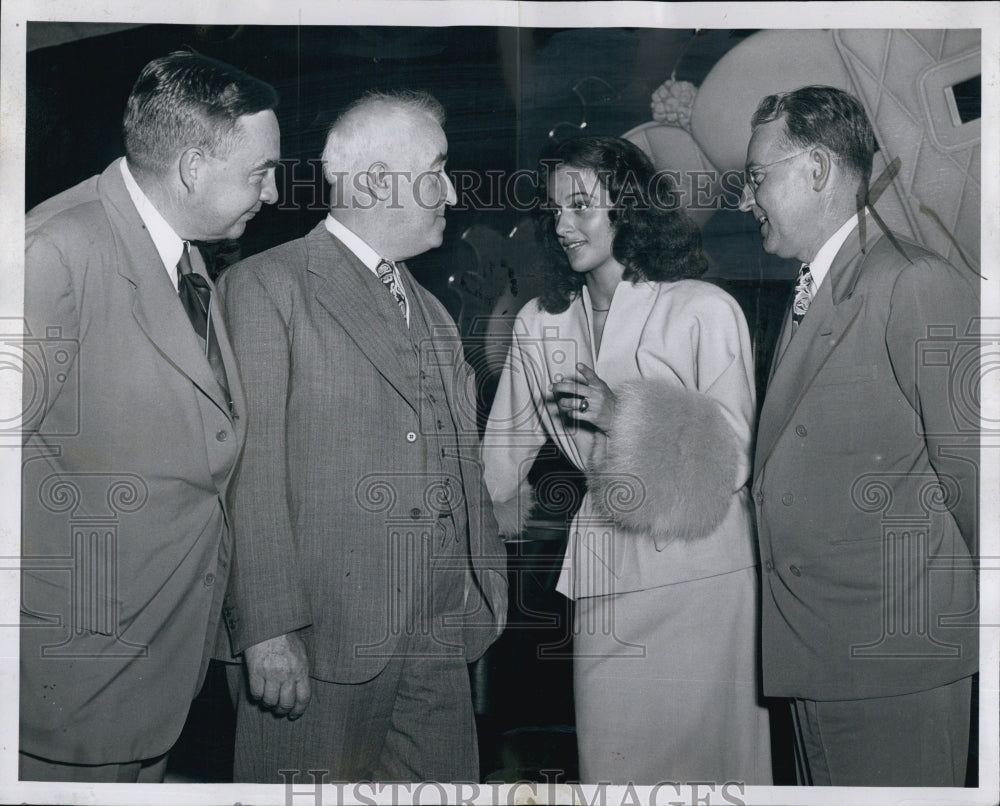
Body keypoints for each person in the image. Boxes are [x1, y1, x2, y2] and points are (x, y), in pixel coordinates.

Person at [217, 90, 508, 783]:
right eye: (436, 168)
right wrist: (265, 629)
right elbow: (247, 476)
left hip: (439, 639)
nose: (451, 188)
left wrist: (478, 592)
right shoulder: (267, 286)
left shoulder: (433, 310)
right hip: (317, 646)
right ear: (378, 181)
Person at [20, 51, 280, 782]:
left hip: (158, 673)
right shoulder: (53, 252)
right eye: (259, 171)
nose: (272, 189)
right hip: (69, 682)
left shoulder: (188, 259)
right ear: (194, 166)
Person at [482, 136, 771, 785]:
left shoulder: (703, 308)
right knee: (614, 765)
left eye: (581, 205)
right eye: (554, 211)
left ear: (630, 207)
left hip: (706, 573)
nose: (562, 225)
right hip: (608, 569)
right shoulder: (540, 322)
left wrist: (622, 415)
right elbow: (500, 455)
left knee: (716, 769)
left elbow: (736, 457)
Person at [739, 85, 979, 786]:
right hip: (821, 649)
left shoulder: (915, 282)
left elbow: (979, 480)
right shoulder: (816, 287)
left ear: (816, 170)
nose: (745, 200)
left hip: (893, 660)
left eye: (757, 178)